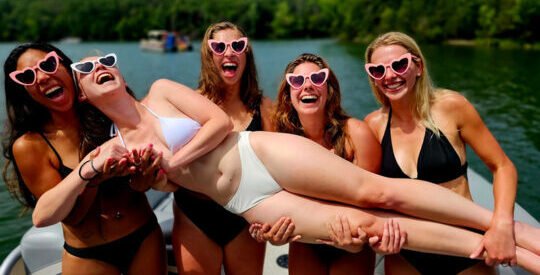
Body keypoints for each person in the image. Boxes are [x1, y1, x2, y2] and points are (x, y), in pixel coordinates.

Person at [72, 52, 540, 274]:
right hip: (245, 200)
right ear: (83, 95)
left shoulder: (161, 91)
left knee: (377, 192)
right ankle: (513, 255)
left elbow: (216, 123)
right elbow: (162, 189)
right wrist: (147, 178)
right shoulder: (113, 146)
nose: (99, 69)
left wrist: (172, 162)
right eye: (87, 71)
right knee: (369, 226)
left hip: (255, 153)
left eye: (105, 61)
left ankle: (508, 229)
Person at [2, 43, 167, 275]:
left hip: (144, 237)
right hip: (88, 254)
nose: (41, 78)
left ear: (66, 66)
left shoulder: (106, 111)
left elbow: (139, 184)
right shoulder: (31, 145)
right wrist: (92, 177)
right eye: (28, 76)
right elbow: (72, 217)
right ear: (24, 91)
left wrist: (143, 177)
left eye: (48, 65)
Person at [363, 31, 518, 274]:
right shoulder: (373, 125)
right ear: (372, 76)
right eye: (378, 70)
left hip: (466, 246)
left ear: (418, 66)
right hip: (406, 250)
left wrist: (501, 224)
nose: (390, 75)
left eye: (399, 64)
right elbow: (366, 191)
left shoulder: (451, 107)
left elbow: (503, 166)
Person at [257, 52, 405, 274]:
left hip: (354, 240)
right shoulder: (281, 142)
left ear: (329, 89)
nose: (307, 86)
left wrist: (356, 243)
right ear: (289, 94)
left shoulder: (356, 134)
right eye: (297, 81)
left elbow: (375, 202)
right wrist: (270, 233)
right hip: (307, 241)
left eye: (317, 79)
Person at [171, 21, 273, 275]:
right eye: (219, 46)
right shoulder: (189, 104)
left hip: (244, 218)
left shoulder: (264, 108)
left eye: (237, 45)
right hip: (194, 215)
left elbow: (276, 168)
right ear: (208, 55)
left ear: (246, 54)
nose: (229, 52)